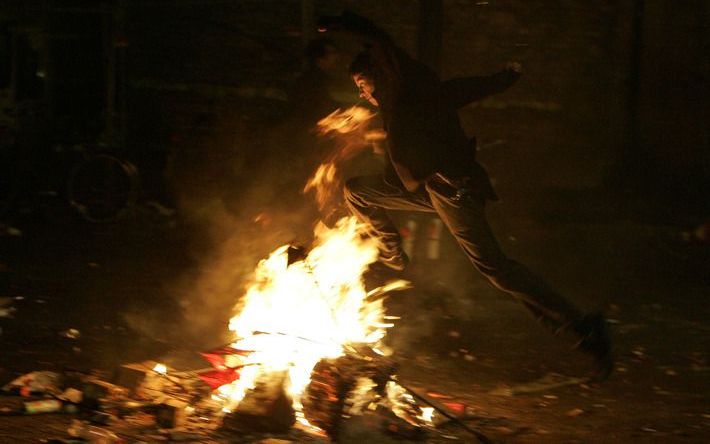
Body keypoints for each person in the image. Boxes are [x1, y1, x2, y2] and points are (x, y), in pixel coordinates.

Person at [318, 12, 613, 381]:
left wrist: (340, 24)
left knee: (496, 268)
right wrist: (504, 78)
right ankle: (393, 257)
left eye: (362, 83)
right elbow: (462, 90)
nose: (362, 93)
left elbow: (380, 38)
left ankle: (583, 327)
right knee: (356, 191)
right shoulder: (419, 94)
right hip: (430, 190)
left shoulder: (400, 80)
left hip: (451, 190)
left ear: (380, 71)